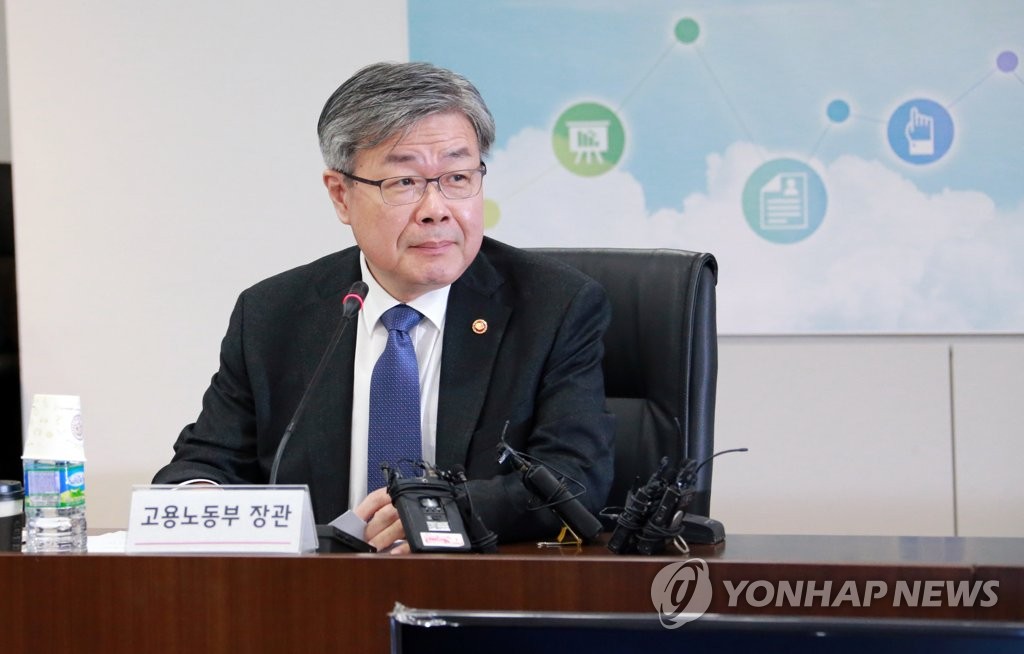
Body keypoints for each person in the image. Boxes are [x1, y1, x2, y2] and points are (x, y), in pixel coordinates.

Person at [153, 61, 615, 551]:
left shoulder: (553, 306)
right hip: (319, 585)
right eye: (404, 182)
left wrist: (440, 512)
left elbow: (575, 478)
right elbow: (204, 464)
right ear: (341, 195)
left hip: (478, 582)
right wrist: (198, 500)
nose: (436, 209)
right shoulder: (272, 315)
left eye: (458, 177)